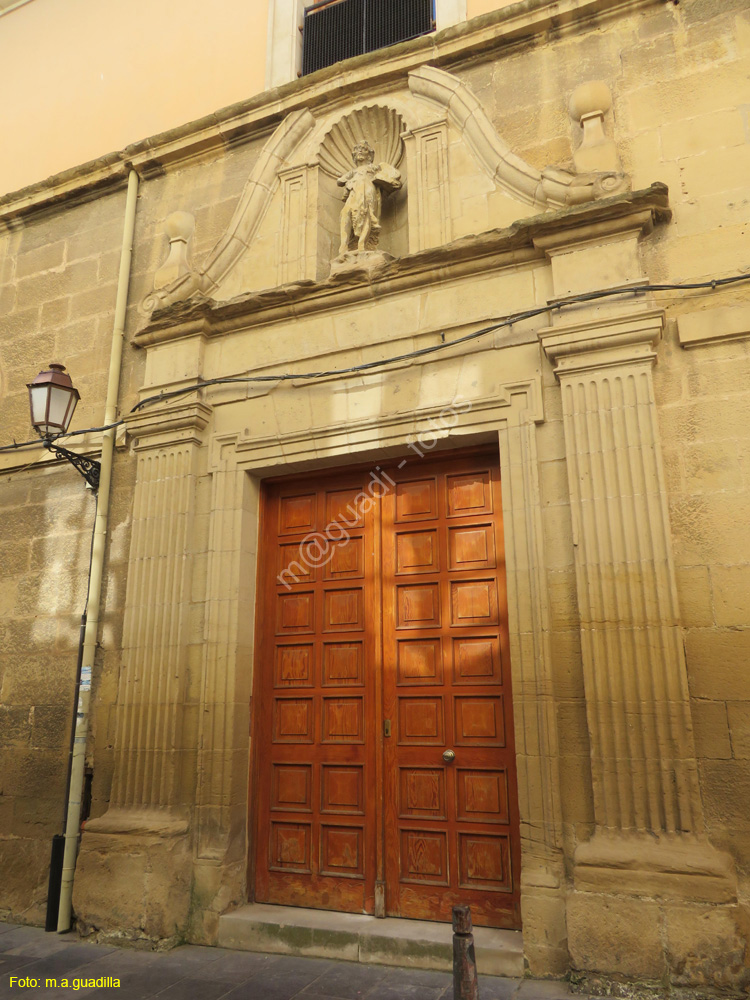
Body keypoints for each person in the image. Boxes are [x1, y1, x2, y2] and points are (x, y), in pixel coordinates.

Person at [337, 140, 402, 256]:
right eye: (357, 149)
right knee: (345, 213)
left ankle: (362, 245)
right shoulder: (353, 171)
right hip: (354, 192)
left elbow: (394, 174)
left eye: (363, 149)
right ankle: (344, 246)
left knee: (366, 214)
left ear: (370, 154)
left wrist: (382, 176)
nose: (360, 151)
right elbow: (340, 180)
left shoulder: (374, 167)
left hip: (368, 190)